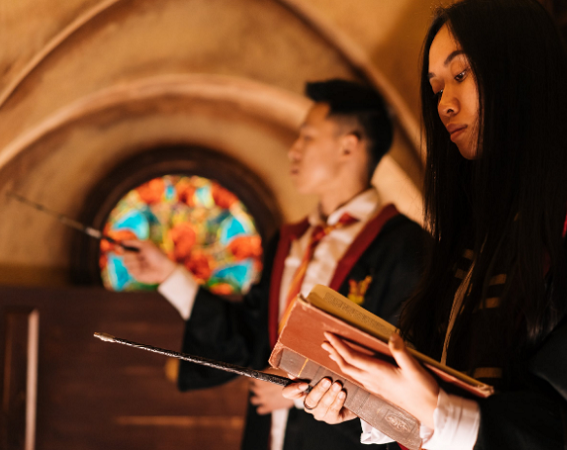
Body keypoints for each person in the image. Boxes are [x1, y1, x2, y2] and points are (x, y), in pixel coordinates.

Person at [282, 1, 567, 449]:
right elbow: (449, 387)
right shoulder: (485, 228)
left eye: (460, 76)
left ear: (521, 74)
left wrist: (437, 411)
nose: (443, 105)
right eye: (436, 87)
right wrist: (374, 401)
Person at [121, 79, 428, 450]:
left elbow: (400, 373)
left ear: (349, 146)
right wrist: (169, 275)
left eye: (307, 137)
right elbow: (246, 342)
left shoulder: (405, 248)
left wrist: (296, 392)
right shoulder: (288, 242)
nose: (293, 151)